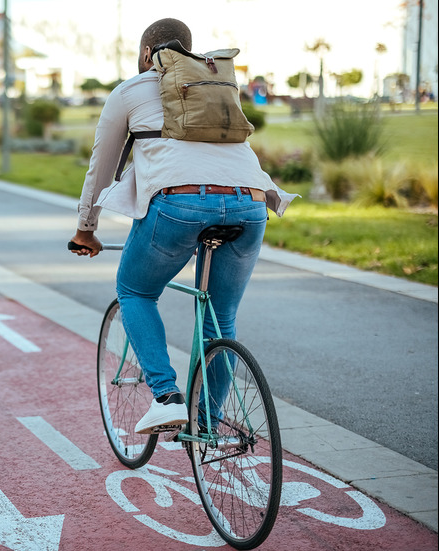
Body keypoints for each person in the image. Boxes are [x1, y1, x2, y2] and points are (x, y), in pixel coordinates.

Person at [68, 18, 297, 434]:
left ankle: (166, 398)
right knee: (221, 318)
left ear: (146, 54)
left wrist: (86, 228)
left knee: (134, 290)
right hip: (250, 204)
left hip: (179, 205)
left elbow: (101, 166)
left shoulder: (130, 89)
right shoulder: (214, 85)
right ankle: (207, 427)